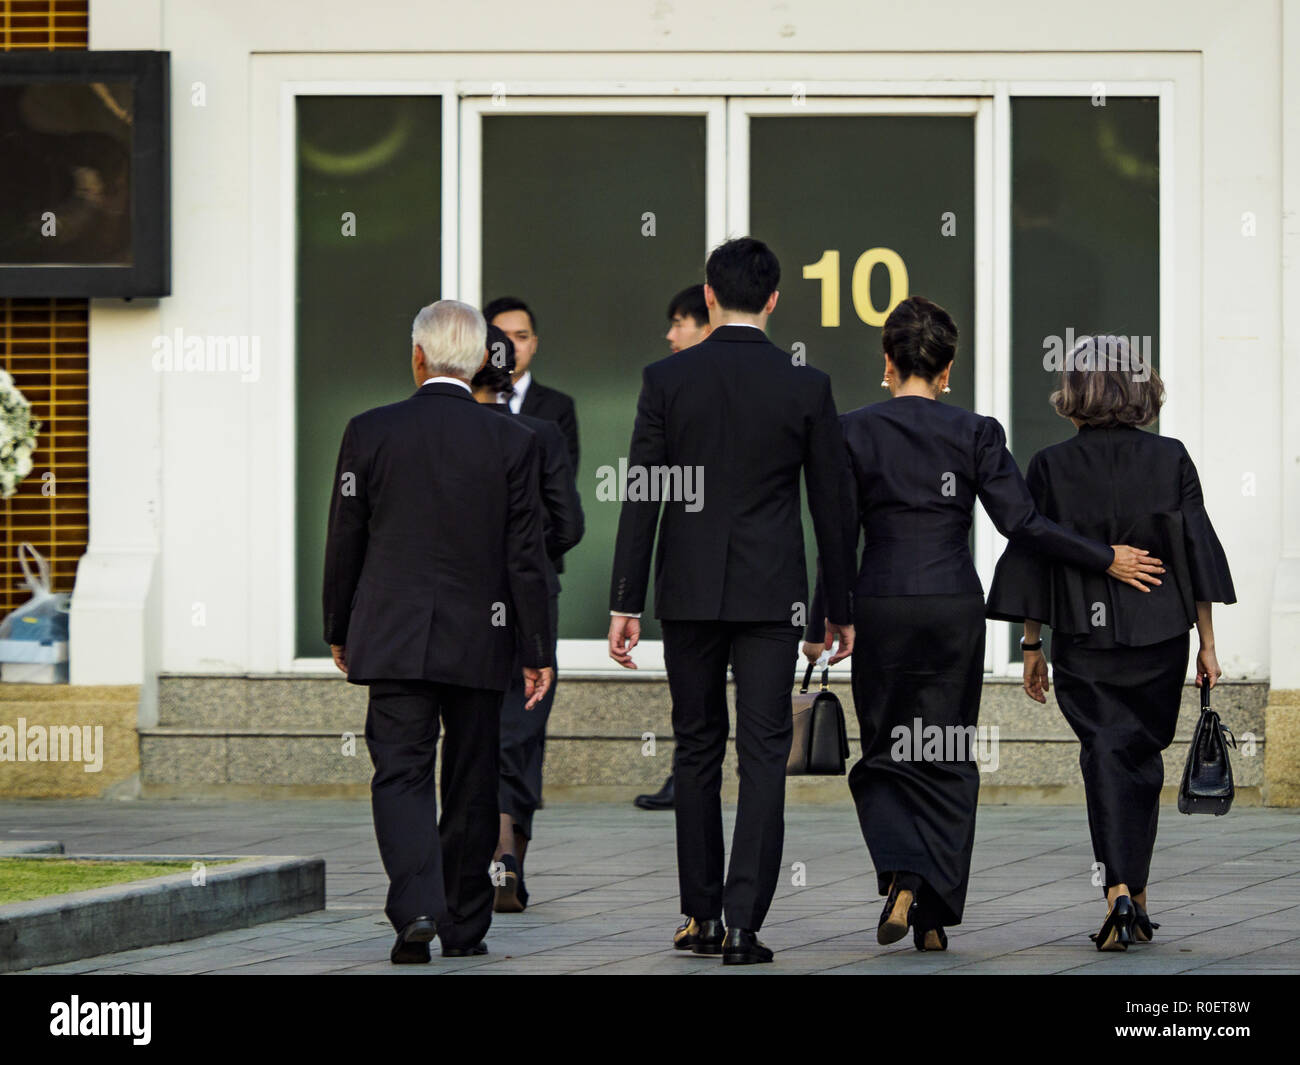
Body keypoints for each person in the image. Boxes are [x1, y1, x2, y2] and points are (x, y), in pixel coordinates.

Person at [802, 298, 1163, 953]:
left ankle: (905, 875)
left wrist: (829, 617)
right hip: (951, 607)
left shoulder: (850, 431)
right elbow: (1023, 523)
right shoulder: (975, 432)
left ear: (888, 362)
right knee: (944, 750)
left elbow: (836, 534)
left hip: (881, 600)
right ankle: (932, 913)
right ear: (948, 367)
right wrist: (1104, 556)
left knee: (886, 751)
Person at [608, 237, 857, 965]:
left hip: (685, 591)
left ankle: (700, 914)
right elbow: (832, 507)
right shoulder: (807, 385)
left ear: (709, 297)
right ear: (775, 299)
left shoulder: (666, 379)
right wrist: (836, 605)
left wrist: (625, 598)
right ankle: (746, 922)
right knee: (764, 751)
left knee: (695, 747)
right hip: (771, 594)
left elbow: (643, 495)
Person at [322, 300, 554, 964]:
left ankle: (417, 906)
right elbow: (525, 556)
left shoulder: (368, 432)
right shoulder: (514, 441)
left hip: (392, 636)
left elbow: (347, 542)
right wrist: (536, 648)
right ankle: (466, 920)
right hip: (482, 638)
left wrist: (339, 627)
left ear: (418, 357)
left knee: (399, 772)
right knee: (473, 776)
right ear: (483, 358)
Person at [986, 334, 1235, 951]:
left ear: (1076, 391)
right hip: (1158, 637)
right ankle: (1135, 893)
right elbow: (1194, 555)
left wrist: (1032, 646)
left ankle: (1120, 893)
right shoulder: (1172, 458)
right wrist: (1207, 645)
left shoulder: (1049, 465)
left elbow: (1035, 557)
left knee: (1102, 755)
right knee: (1142, 760)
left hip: (1083, 635)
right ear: (1141, 388)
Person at [471, 324, 585, 912]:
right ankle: (508, 845)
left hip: (463, 602)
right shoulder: (538, 433)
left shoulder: (452, 431)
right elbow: (570, 525)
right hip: (530, 600)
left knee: (473, 728)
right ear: (510, 370)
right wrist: (529, 556)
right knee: (522, 729)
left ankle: (485, 850)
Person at [634, 283, 714, 813]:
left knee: (707, 718)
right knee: (697, 712)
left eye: (680, 322)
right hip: (704, 576)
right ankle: (685, 774)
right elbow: (643, 491)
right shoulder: (669, 383)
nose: (670, 334)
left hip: (706, 574)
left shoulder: (676, 385)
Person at [484, 296, 580, 472]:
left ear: (533, 344)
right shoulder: (469, 402)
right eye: (502, 336)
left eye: (521, 337)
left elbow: (562, 481)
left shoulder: (559, 407)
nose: (512, 346)